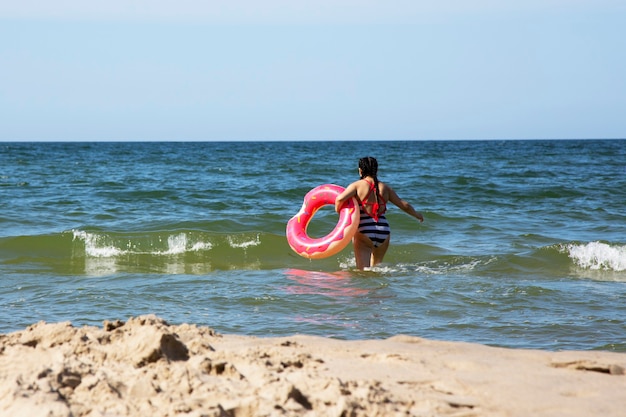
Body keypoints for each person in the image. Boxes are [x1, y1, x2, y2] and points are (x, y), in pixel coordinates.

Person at [335, 156, 424, 270]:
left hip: (364, 230)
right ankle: (377, 288)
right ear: (376, 170)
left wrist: (340, 214)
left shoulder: (357, 185)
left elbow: (339, 199)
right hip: (384, 231)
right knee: (376, 269)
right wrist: (417, 215)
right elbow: (404, 205)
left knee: (362, 271)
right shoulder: (385, 188)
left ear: (360, 170)